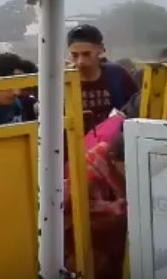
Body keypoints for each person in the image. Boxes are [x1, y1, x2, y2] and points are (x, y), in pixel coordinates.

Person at [64, 129, 127, 279]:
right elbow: (78, 205)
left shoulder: (119, 158)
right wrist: (117, 208)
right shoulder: (92, 164)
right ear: (113, 159)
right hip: (82, 230)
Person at [67, 25, 138, 131]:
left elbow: (136, 107)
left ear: (100, 50)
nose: (80, 61)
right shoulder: (62, 81)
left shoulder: (117, 75)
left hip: (113, 141)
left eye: (86, 54)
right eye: (75, 55)